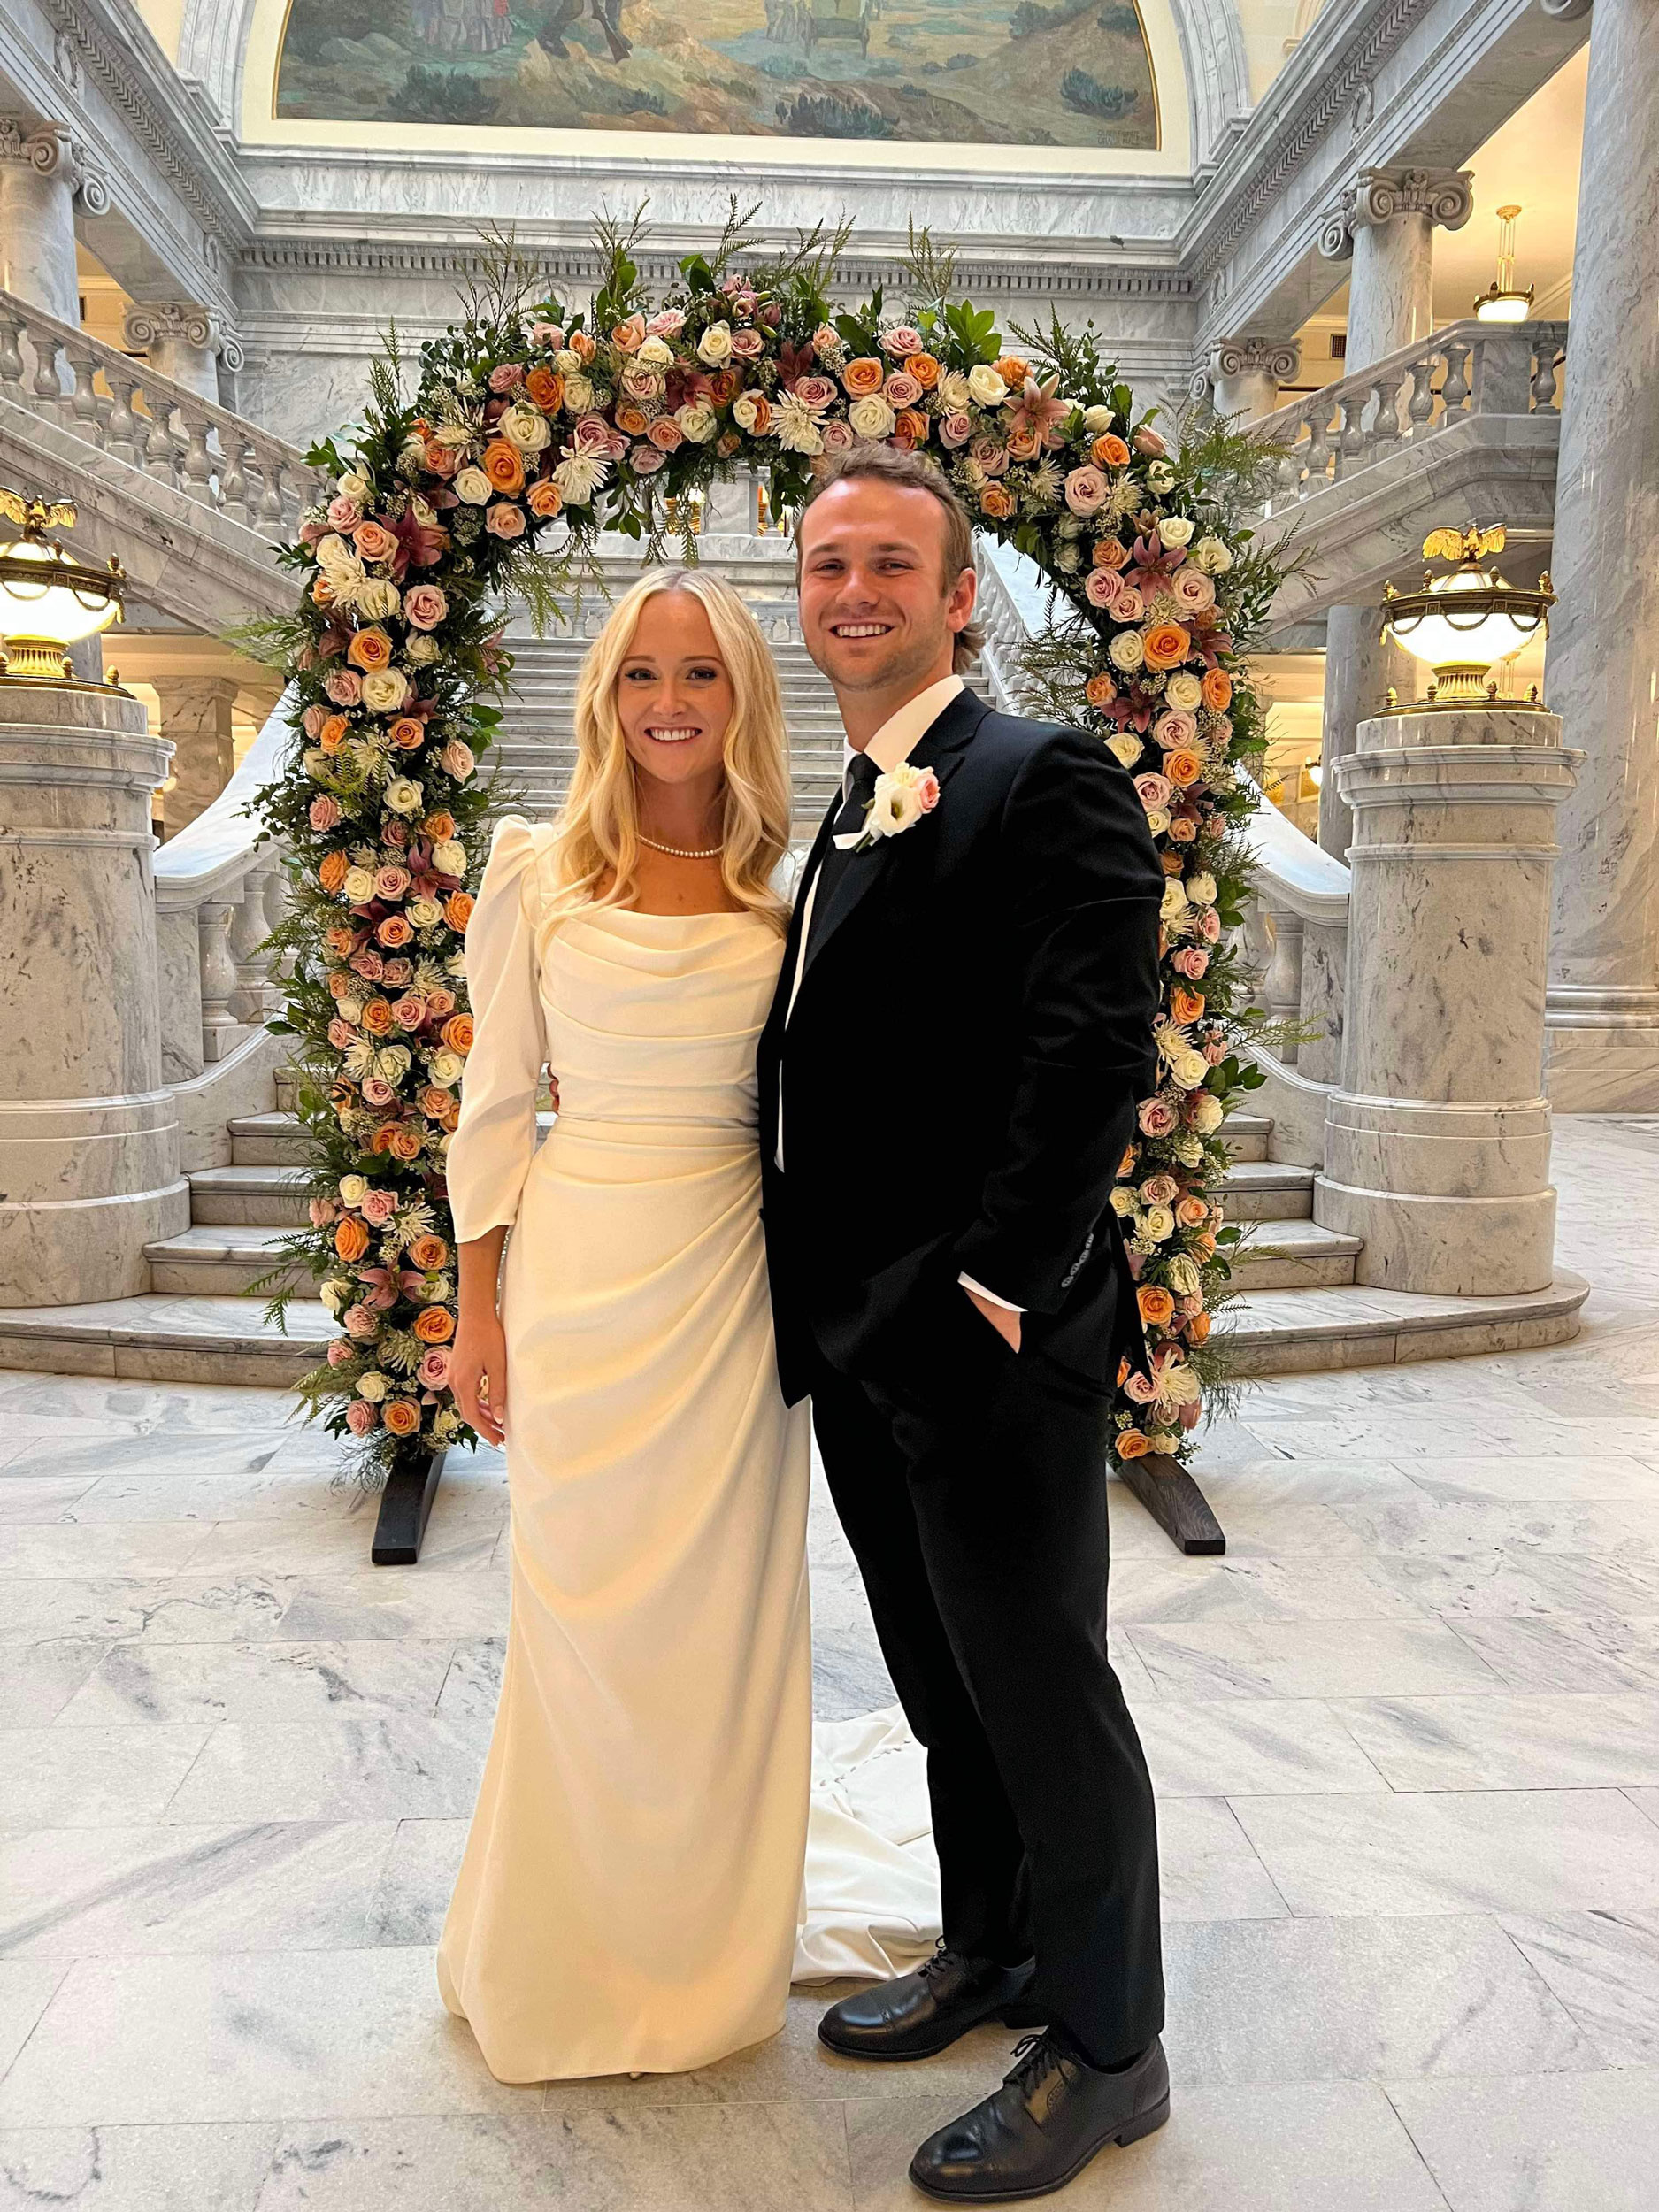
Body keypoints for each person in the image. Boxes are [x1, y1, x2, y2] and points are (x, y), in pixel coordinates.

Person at [756, 442, 1171, 2203]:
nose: (851, 590)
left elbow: (1088, 1051)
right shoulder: (853, 794)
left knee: (1038, 1681)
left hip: (984, 1335)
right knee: (941, 1684)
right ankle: (989, 1945)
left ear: (956, 595)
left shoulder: (1035, 772)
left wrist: (990, 1289)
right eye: (826, 562)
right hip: (858, 1337)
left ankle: (1105, 2043)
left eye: (887, 564)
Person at [436, 568, 813, 2082]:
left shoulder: (796, 878)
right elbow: (493, 1103)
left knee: (719, 1623)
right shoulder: (535, 867)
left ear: (743, 700)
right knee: (581, 1614)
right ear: (605, 692)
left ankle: (706, 1946)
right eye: (644, 672)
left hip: (732, 1276)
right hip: (582, 1268)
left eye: (703, 675)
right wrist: (477, 1312)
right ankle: (563, 1934)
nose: (670, 701)